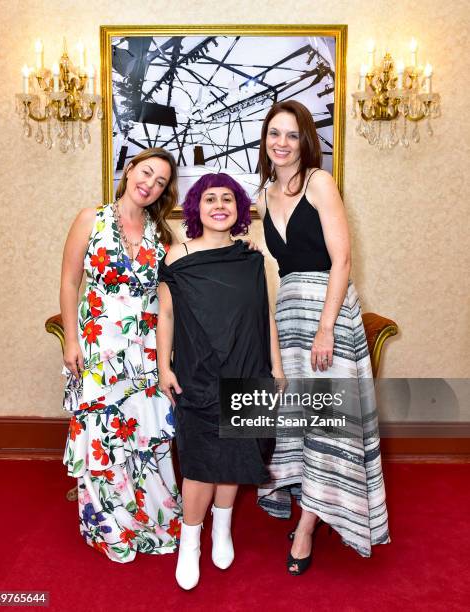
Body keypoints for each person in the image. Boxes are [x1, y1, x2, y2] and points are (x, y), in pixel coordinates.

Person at [255, 100, 390, 573]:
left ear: (305, 140)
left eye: (292, 134)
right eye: (275, 133)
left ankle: (308, 527)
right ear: (265, 138)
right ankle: (312, 506)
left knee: (328, 421)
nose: (282, 143)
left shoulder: (319, 182)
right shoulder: (263, 193)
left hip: (326, 317)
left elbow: (343, 260)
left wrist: (327, 327)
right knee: (302, 421)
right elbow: (267, 261)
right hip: (289, 312)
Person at [157, 173, 283, 590]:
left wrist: (276, 368)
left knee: (238, 454)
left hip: (248, 368)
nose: (219, 205)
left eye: (227, 198)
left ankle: (222, 527)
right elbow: (167, 316)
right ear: (196, 207)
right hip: (198, 373)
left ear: (238, 209)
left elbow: (264, 316)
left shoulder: (251, 259)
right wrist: (164, 366)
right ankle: (189, 540)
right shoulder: (177, 256)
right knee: (199, 462)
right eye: (210, 198)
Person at [60, 148, 182, 562]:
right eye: (146, 172)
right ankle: (108, 523)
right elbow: (69, 280)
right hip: (97, 345)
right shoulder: (90, 219)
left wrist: (240, 252)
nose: (149, 183)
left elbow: (174, 291)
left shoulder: (161, 235)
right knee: (101, 435)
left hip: (143, 352)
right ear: (130, 170)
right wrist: (71, 341)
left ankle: (150, 516)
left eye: (160, 181)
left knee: (142, 434)